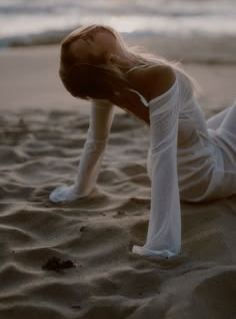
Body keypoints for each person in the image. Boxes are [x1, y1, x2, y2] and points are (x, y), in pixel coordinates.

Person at [49, 24, 236, 258]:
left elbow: (96, 141)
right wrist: (160, 242)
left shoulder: (113, 80)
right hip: (202, 174)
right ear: (110, 58)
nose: (88, 32)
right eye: (89, 41)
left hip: (194, 155)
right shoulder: (151, 78)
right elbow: (163, 153)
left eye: (83, 35)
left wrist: (80, 190)